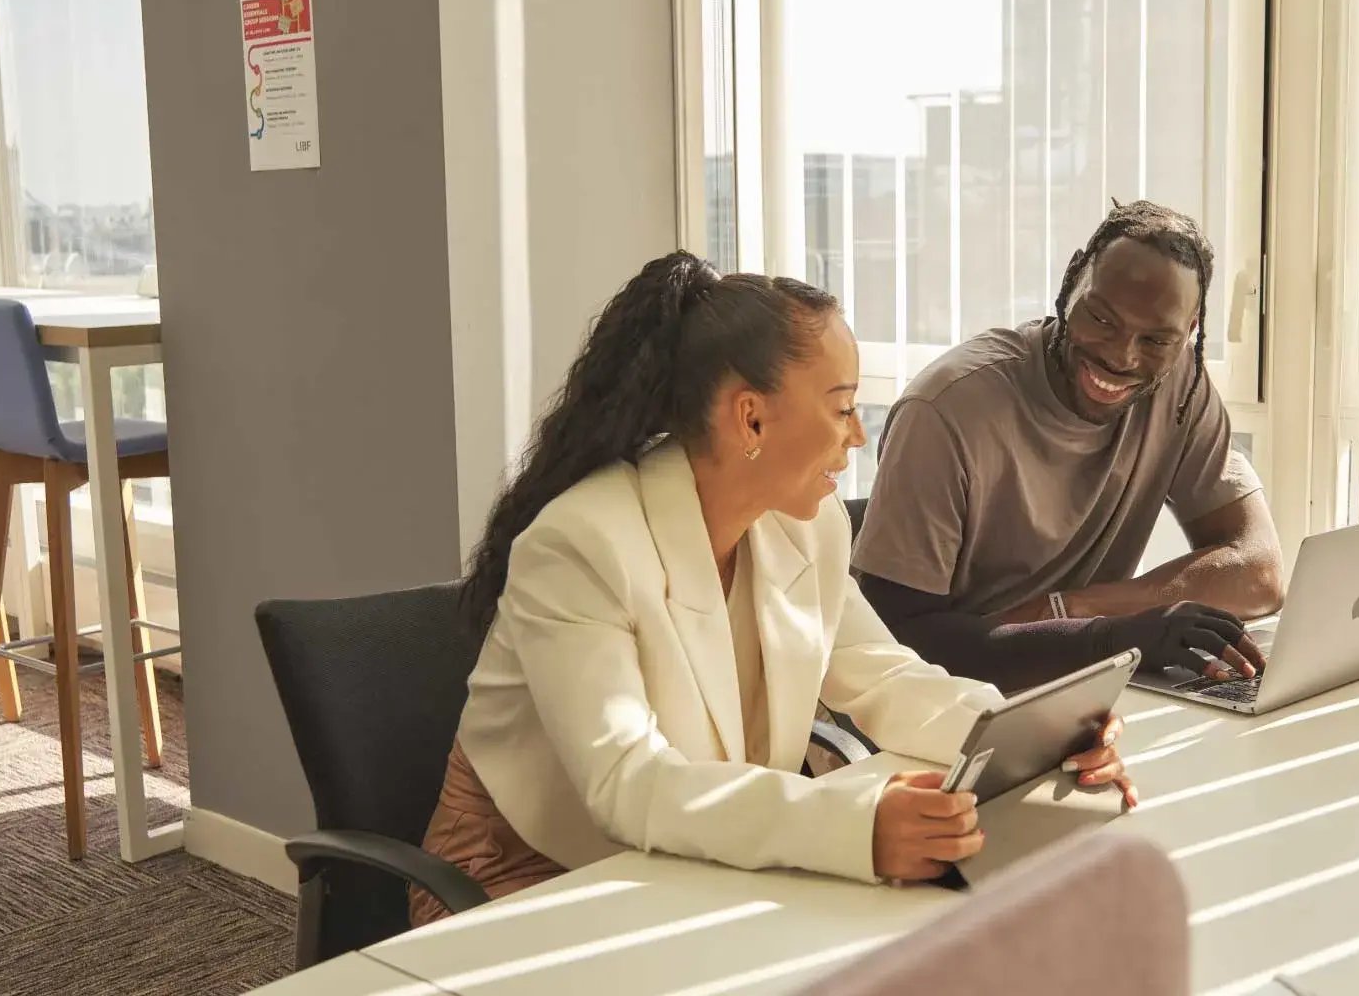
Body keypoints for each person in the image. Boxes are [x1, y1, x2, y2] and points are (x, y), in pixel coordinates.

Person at [409, 253, 1134, 926]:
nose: (857, 437)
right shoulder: (581, 545)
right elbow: (629, 781)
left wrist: (1033, 739)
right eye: (843, 408)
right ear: (751, 416)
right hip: (524, 873)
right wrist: (852, 828)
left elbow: (882, 677)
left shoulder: (804, 527)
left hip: (685, 860)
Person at [853, 201, 1284, 693]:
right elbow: (898, 644)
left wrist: (1072, 609)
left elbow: (1260, 573)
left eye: (1156, 340)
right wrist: (1110, 636)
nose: (1121, 356)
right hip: (952, 704)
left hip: (1073, 687)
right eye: (1102, 318)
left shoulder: (1179, 386)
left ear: (1189, 333)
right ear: (1073, 276)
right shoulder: (946, 409)